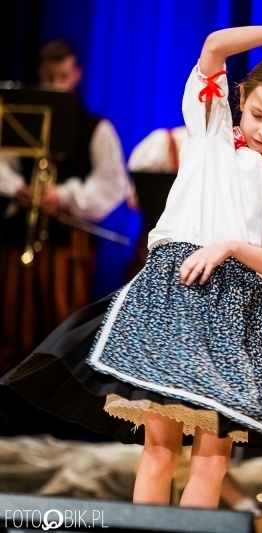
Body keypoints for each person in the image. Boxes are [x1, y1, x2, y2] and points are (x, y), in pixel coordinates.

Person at [2, 24, 262, 509]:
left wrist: (229, 247)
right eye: (256, 115)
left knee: (212, 458)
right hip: (176, 288)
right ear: (240, 98)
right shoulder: (208, 129)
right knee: (160, 448)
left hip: (236, 307)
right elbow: (213, 46)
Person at [0, 39, 130, 375]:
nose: (56, 84)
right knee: (13, 318)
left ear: (76, 75)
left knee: (62, 318)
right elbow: (4, 164)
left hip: (68, 240)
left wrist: (66, 195)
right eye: (50, 76)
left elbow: (112, 184)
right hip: (17, 236)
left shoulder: (96, 128)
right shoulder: (20, 120)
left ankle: (57, 402)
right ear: (40, 74)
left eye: (63, 76)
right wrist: (18, 188)